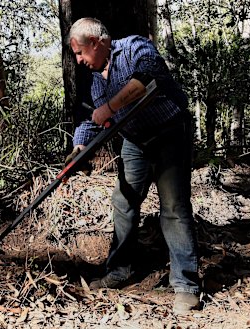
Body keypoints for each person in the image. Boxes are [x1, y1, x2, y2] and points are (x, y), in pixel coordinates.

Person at [66, 17, 200, 314]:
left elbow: (145, 80)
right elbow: (92, 119)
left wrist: (110, 107)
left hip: (169, 133)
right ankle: (118, 270)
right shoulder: (93, 80)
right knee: (123, 201)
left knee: (174, 207)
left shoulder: (135, 47)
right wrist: (79, 146)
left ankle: (186, 285)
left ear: (98, 42)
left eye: (80, 52)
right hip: (135, 141)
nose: (79, 60)